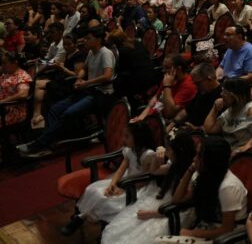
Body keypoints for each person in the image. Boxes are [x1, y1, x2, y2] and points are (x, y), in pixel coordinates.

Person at [19, 27, 116, 157]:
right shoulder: (91, 52)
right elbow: (84, 69)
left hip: (100, 93)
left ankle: (39, 144)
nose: (85, 41)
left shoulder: (106, 53)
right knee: (54, 109)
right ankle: (48, 142)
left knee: (68, 113)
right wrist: (80, 78)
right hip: (87, 90)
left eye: (89, 38)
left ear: (98, 40)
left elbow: (108, 76)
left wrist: (86, 83)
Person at [101, 131, 197, 244]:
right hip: (166, 201)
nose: (166, 152)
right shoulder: (175, 165)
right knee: (126, 226)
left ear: (179, 152)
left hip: (177, 211)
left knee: (139, 237)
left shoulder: (192, 175)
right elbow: (154, 171)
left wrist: (151, 214)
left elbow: (181, 205)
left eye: (169, 150)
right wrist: (157, 156)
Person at [62, 122, 158, 235]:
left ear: (138, 138)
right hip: (125, 180)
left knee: (108, 200)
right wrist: (113, 184)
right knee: (94, 190)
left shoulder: (148, 155)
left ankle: (83, 219)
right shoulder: (130, 150)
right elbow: (121, 170)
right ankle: (81, 217)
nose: (123, 139)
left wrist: (123, 189)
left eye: (127, 136)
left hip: (137, 187)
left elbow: (145, 180)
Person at [154, 136, 247, 243]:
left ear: (211, 160)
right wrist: (190, 170)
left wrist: (192, 233)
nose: (194, 159)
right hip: (208, 228)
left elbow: (227, 229)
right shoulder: (205, 176)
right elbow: (177, 199)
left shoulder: (229, 187)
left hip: (227, 239)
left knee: (160, 242)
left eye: (199, 156)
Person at [132, 54, 197, 123]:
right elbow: (155, 99)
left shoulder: (188, 86)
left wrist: (167, 86)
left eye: (167, 68)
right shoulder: (168, 78)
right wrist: (141, 118)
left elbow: (170, 113)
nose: (163, 70)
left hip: (165, 122)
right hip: (152, 117)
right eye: (163, 67)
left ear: (178, 69)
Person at [203, 78, 252, 149]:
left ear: (235, 95)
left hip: (244, 154)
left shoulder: (251, 110)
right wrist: (215, 108)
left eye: (224, 91)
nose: (221, 94)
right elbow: (209, 129)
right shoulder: (230, 110)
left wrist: (240, 150)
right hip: (229, 151)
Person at [0, 52, 32, 130]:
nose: (2, 66)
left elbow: (23, 94)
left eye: (4, 63)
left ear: (14, 63)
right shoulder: (7, 73)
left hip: (12, 110)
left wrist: (3, 101)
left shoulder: (22, 76)